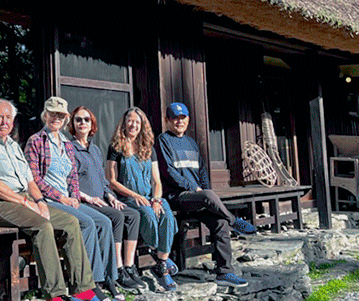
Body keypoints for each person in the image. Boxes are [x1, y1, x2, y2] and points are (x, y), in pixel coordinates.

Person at [0, 98, 103, 301]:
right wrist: (25, 202)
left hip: (24, 200)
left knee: (71, 223)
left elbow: (30, 181)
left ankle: (83, 290)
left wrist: (39, 202)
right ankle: (55, 294)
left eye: (8, 117)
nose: (4, 122)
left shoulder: (13, 145)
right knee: (41, 225)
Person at [25, 97, 123, 299]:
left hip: (68, 199)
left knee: (104, 222)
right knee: (86, 223)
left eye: (60, 115)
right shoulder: (36, 141)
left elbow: (73, 177)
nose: (56, 118)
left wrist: (75, 197)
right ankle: (87, 286)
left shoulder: (67, 144)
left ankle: (107, 279)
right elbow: (33, 179)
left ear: (65, 118)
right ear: (45, 115)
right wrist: (62, 197)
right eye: (53, 114)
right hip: (49, 200)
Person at [156, 102, 256, 290]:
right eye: (175, 118)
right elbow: (168, 171)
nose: (179, 121)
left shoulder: (191, 142)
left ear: (188, 120)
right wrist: (196, 189)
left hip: (197, 197)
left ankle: (224, 273)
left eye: (182, 118)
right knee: (212, 200)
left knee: (220, 222)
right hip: (177, 198)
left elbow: (202, 171)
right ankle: (235, 221)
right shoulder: (163, 140)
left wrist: (205, 192)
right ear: (167, 120)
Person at [69, 106, 145, 293]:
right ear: (72, 124)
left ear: (92, 124)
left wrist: (111, 196)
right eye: (78, 120)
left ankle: (128, 267)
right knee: (116, 217)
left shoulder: (95, 150)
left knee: (133, 215)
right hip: (86, 202)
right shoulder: (69, 148)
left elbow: (103, 181)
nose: (82, 123)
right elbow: (69, 181)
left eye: (86, 120)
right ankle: (115, 272)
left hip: (102, 199)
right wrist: (88, 197)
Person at [106, 107, 179, 291]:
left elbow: (156, 181)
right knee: (147, 214)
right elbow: (111, 180)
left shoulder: (149, 148)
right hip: (128, 197)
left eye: (137, 122)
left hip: (149, 197)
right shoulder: (116, 147)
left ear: (142, 126)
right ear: (124, 123)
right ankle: (160, 258)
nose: (133, 124)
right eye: (130, 120)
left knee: (167, 215)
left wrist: (156, 199)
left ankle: (161, 262)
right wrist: (136, 196)